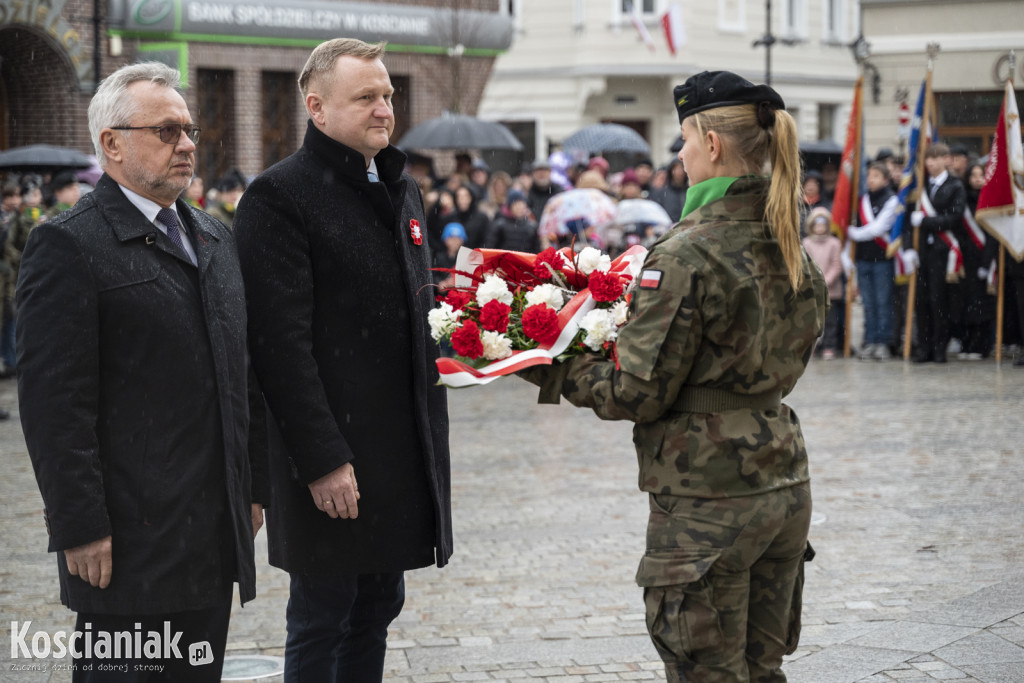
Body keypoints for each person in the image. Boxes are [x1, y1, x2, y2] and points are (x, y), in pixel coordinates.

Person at [520, 70, 826, 682]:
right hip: (782, 481)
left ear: (712, 144)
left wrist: (547, 360)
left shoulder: (688, 251)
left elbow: (637, 389)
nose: (681, 155)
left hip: (709, 499)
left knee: (706, 673)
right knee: (762, 671)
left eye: (684, 139)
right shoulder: (786, 235)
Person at [15, 61, 264, 682]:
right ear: (112, 144)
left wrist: (253, 485)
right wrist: (79, 525)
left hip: (210, 529)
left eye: (188, 130)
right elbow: (54, 404)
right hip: (129, 539)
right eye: (165, 131)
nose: (185, 145)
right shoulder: (70, 244)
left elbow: (241, 373)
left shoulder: (212, 235)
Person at [233, 38, 452, 681]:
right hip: (331, 458)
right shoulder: (279, 198)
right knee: (324, 613)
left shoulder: (399, 185)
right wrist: (322, 458)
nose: (385, 108)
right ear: (317, 107)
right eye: (367, 97)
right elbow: (278, 348)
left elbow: (416, 312)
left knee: (378, 606)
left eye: (388, 95)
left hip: (398, 451)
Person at [910, 143, 966, 363]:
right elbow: (908, 223)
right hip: (923, 250)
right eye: (928, 159)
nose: (930, 163)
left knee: (939, 301)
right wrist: (908, 249)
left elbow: (955, 217)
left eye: (935, 158)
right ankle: (924, 348)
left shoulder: (955, 186)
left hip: (943, 251)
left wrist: (926, 221)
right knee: (921, 302)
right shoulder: (921, 187)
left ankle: (939, 347)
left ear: (946, 159)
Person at [848, 162, 899, 360]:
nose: (871, 179)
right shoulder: (862, 200)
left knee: (883, 302)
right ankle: (870, 340)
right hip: (863, 258)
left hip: (882, 259)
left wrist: (853, 233)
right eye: (869, 175)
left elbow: (878, 228)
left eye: (876, 176)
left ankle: (883, 342)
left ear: (886, 180)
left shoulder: (891, 200)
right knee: (868, 303)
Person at [957, 162, 996, 359]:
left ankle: (982, 345)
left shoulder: (990, 200)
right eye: (973, 175)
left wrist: (987, 262)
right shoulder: (963, 201)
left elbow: (992, 236)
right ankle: (967, 342)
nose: (977, 179)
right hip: (966, 258)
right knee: (967, 303)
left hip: (985, 259)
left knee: (983, 304)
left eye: (981, 175)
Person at [803, 207, 843, 359]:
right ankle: (813, 346)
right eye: (817, 224)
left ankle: (829, 345)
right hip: (812, 289)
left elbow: (836, 264)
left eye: (823, 224)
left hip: (830, 290)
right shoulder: (806, 243)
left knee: (830, 320)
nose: (820, 227)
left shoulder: (834, 243)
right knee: (812, 320)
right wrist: (814, 280)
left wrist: (826, 280)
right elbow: (806, 264)